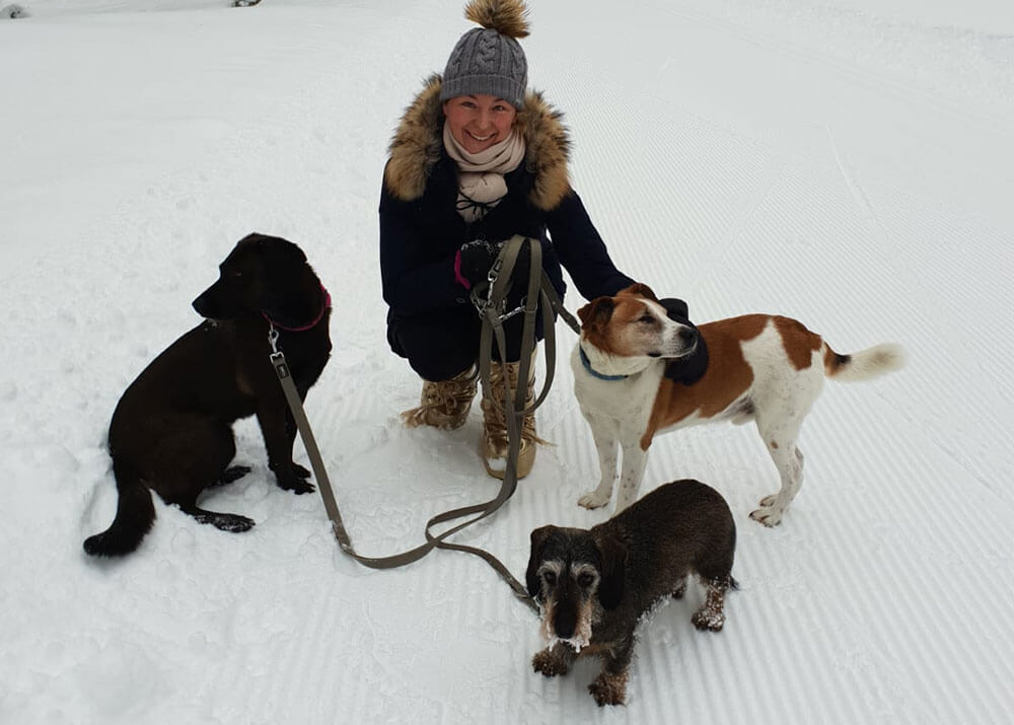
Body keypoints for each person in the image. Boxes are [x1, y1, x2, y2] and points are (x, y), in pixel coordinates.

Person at [380, 0, 663, 479]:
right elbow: (398, 287)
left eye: (499, 107)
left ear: (516, 112)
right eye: (468, 103)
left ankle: (509, 395)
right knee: (426, 340)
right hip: (441, 300)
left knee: (522, 295)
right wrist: (458, 270)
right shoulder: (410, 169)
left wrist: (652, 312)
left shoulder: (539, 164)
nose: (482, 123)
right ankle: (450, 383)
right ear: (446, 103)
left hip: (517, 299)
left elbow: (588, 260)